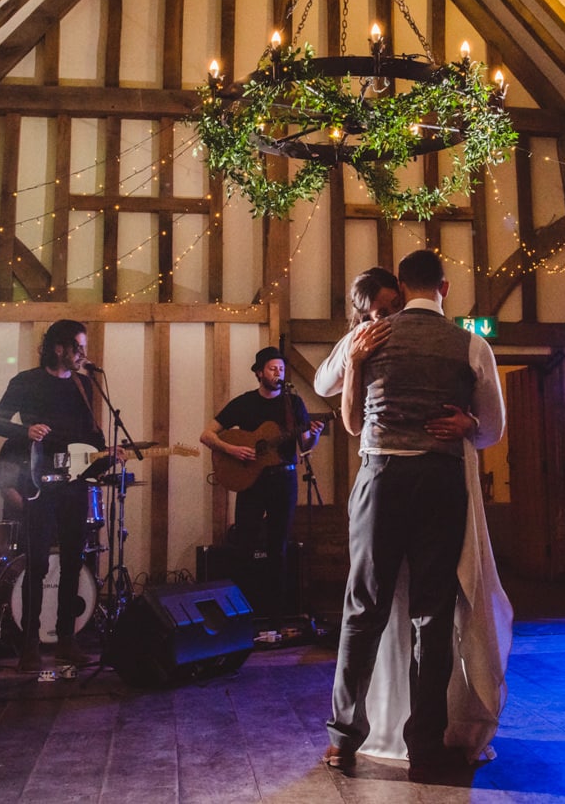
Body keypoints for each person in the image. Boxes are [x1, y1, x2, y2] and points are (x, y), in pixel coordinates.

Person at [325, 249, 506, 780]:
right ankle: (425, 747)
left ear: (401, 288)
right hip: (438, 481)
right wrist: (468, 421)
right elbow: (492, 430)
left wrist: (355, 358)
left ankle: (342, 740)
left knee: (363, 608)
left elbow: (328, 393)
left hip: (380, 477)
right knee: (431, 613)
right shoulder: (471, 344)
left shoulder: (369, 336)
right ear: (444, 287)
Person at [0, 319, 104, 670]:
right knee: (37, 562)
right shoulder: (26, 382)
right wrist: (27, 430)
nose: (83, 354)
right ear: (58, 348)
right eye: (78, 347)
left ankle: (67, 639)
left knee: (72, 560)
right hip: (39, 484)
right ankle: (29, 645)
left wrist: (106, 453)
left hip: (74, 485)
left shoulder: (84, 385)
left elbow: (91, 435)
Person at [200, 347, 323, 618]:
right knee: (244, 545)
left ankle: (275, 613)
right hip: (252, 482)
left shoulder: (294, 404)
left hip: (284, 480)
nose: (278, 373)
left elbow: (304, 446)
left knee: (278, 547)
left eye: (281, 368)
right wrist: (232, 450)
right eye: (272, 368)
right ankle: (241, 612)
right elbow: (207, 435)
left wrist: (314, 435)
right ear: (259, 372)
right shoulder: (244, 403)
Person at [313, 267, 403, 397]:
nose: (395, 315)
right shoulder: (364, 334)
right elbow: (322, 387)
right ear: (367, 315)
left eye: (397, 304)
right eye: (382, 315)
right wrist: (353, 356)